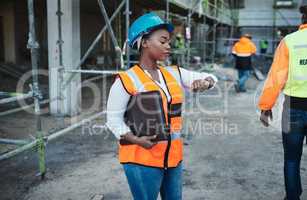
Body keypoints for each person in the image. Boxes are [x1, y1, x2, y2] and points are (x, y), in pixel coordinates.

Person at [106, 12, 217, 200]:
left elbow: (211, 78)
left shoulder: (174, 73)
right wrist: (136, 139)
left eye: (169, 42)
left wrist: (206, 82)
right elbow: (113, 121)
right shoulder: (126, 80)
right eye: (163, 41)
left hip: (173, 158)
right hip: (140, 160)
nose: (168, 46)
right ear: (144, 42)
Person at [258, 1, 307, 199]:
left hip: (293, 108)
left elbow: (276, 76)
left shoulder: (290, 41)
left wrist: (265, 107)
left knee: (292, 159)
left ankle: (293, 197)